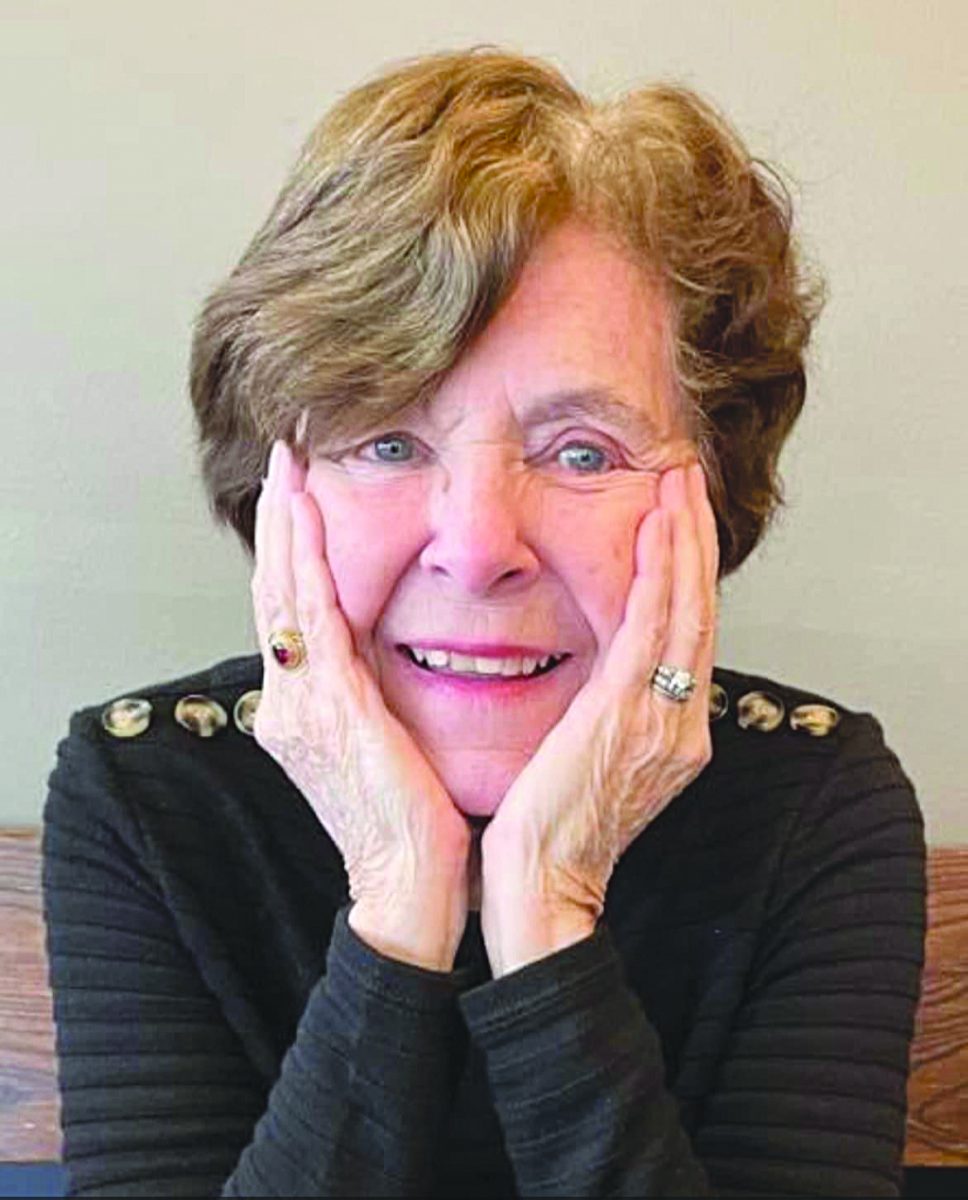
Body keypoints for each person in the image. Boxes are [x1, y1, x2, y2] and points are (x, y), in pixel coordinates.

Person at [42, 46, 927, 1197]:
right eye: (386, 441)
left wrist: (547, 911)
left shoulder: (815, 800)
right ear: (276, 489)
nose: (474, 546)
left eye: (581, 452)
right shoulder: (145, 790)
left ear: (711, 496)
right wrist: (398, 897)